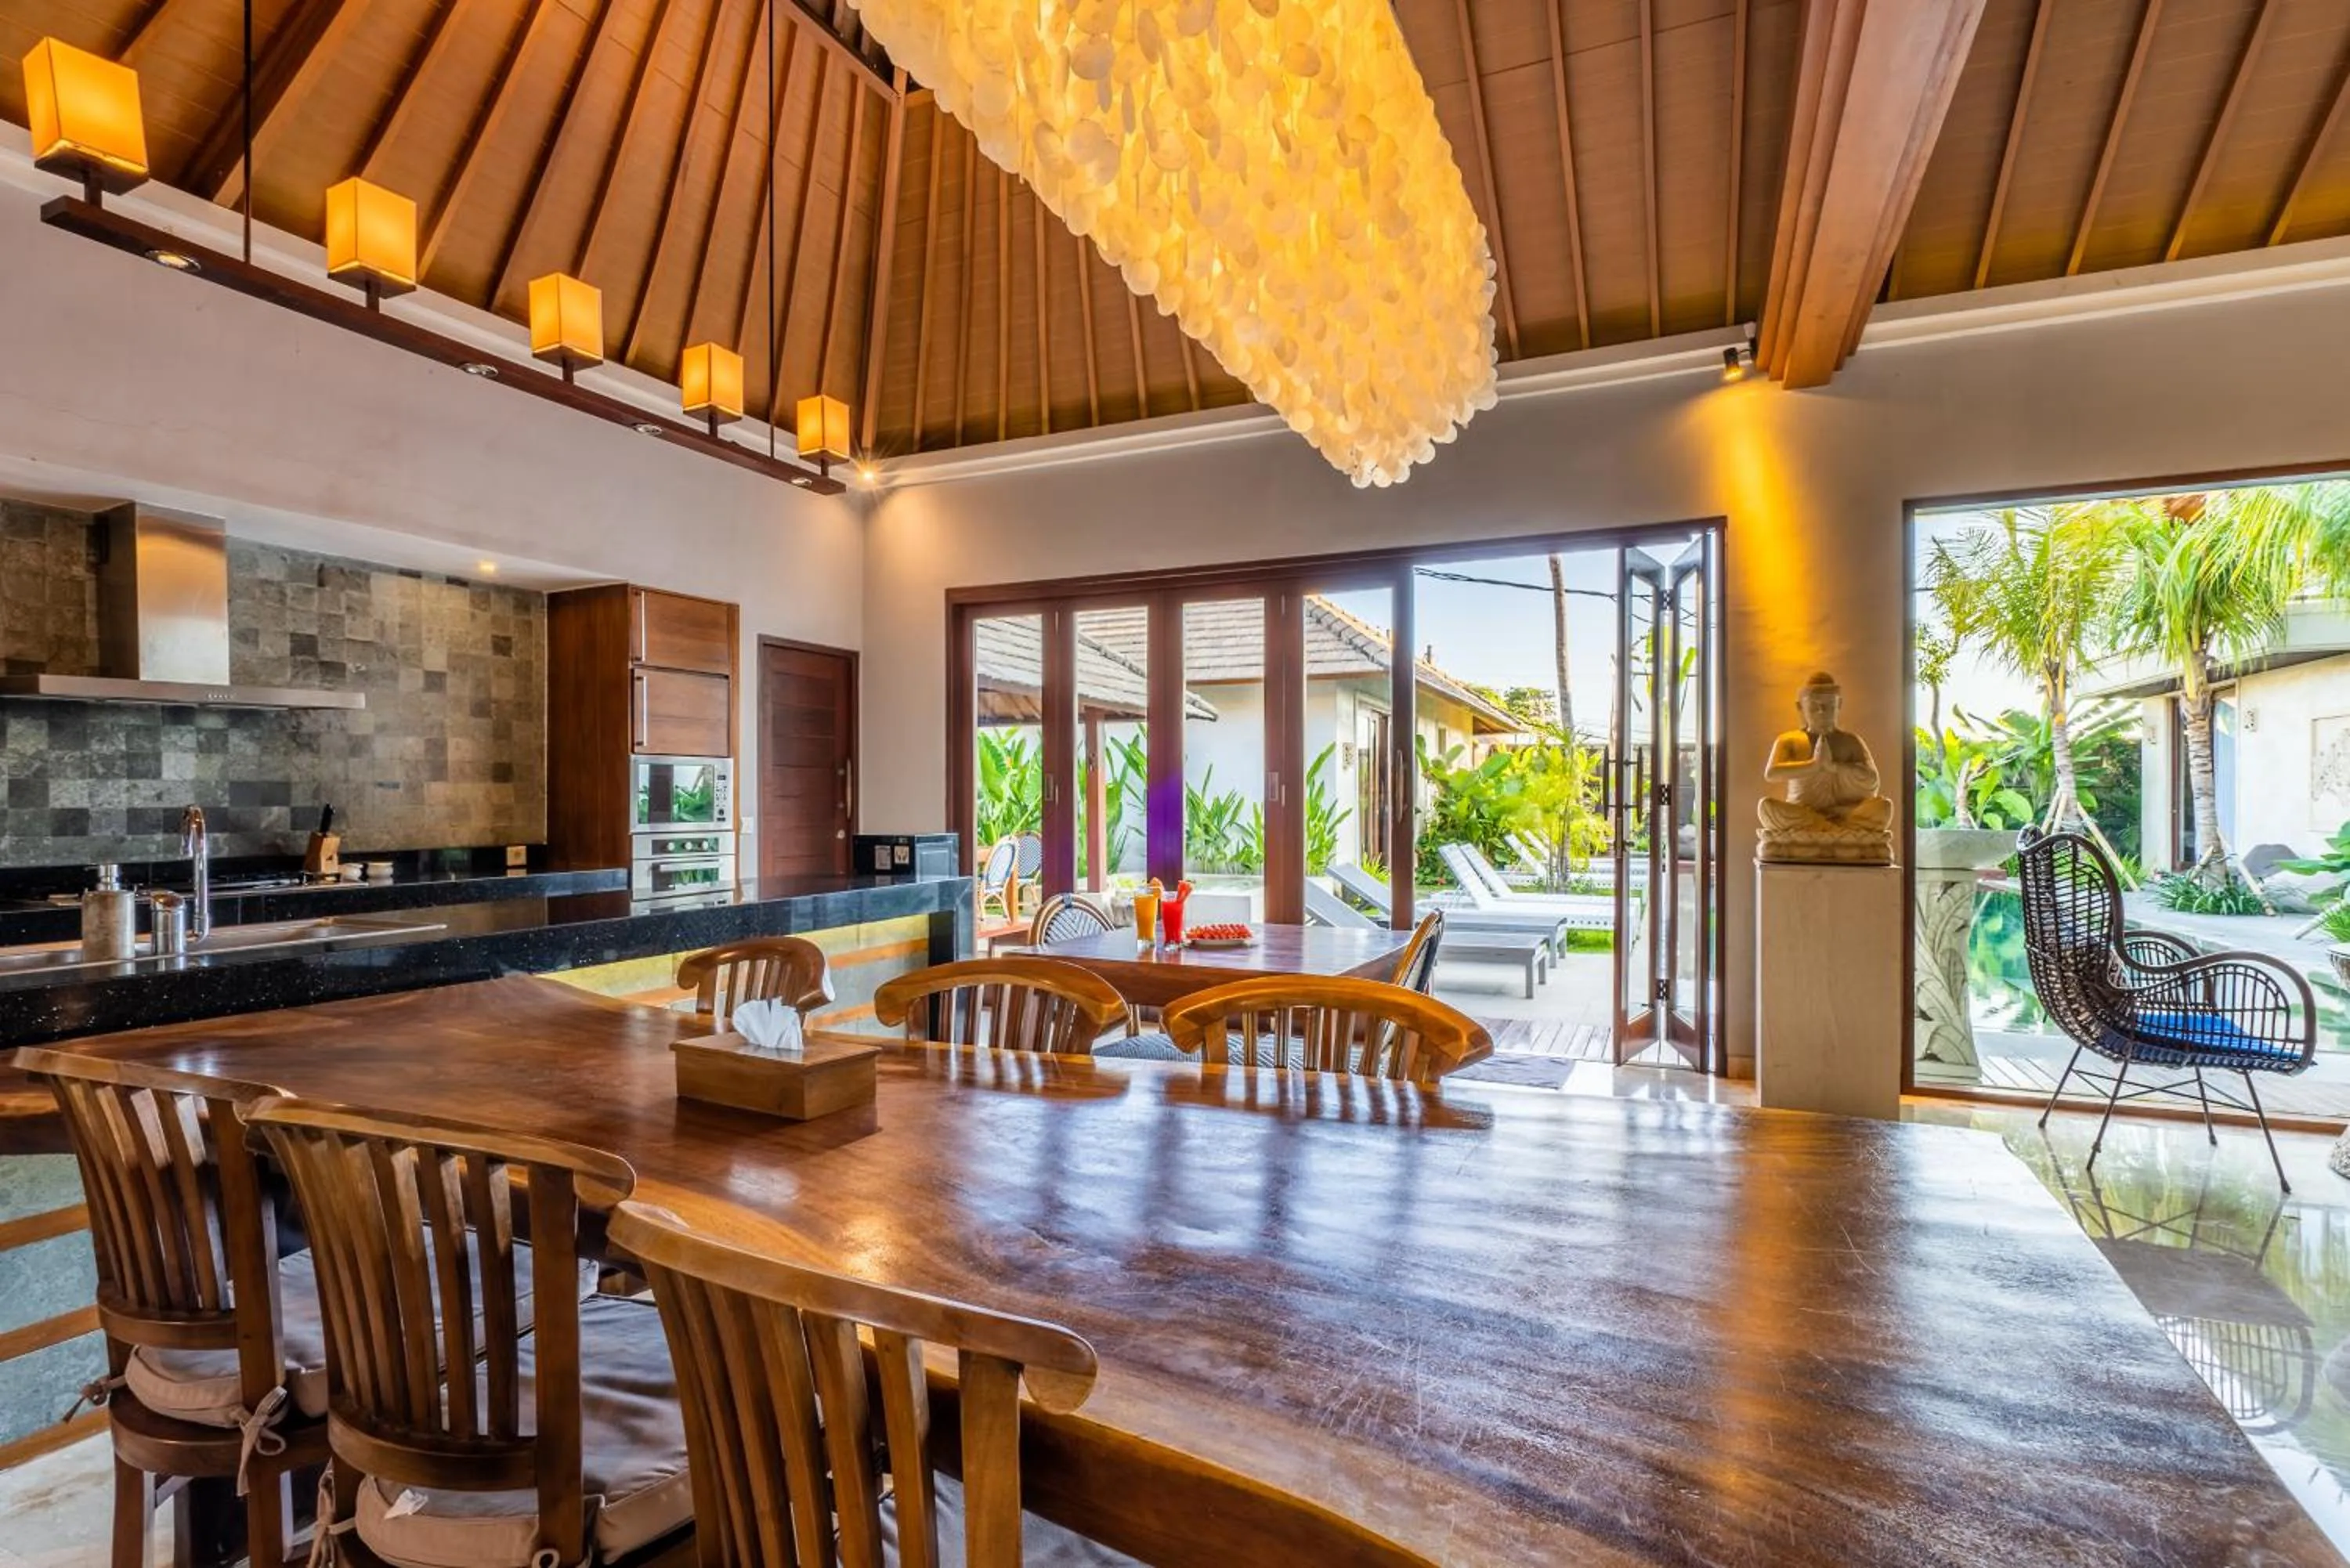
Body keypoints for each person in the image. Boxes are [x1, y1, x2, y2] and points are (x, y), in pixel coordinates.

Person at [1758, 672, 1893, 863]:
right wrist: (1813, 766)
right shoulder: (1789, 740)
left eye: (1829, 706)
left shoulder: (1851, 741)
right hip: (1802, 813)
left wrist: (1836, 767)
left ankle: (1824, 833)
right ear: (1800, 708)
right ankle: (1838, 835)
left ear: (1839, 705)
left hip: (1843, 814)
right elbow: (1772, 774)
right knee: (1767, 807)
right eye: (1814, 707)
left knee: (1883, 807)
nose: (1822, 712)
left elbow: (1872, 780)